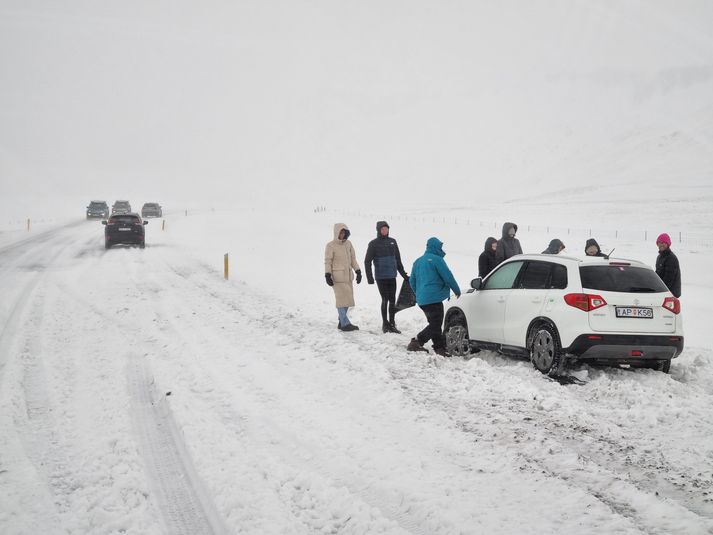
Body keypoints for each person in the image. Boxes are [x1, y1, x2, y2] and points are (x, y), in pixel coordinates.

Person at [407, 237, 461, 356]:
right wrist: (456, 290)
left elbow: (411, 280)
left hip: (422, 300)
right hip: (434, 298)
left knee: (434, 324)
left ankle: (439, 348)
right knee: (436, 324)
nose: (441, 249)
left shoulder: (418, 261)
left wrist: (419, 293)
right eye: (440, 247)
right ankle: (417, 342)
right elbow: (448, 276)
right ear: (435, 247)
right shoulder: (437, 260)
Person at [364, 221, 409, 333]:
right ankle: (385, 324)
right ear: (378, 230)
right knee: (385, 299)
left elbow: (397, 259)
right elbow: (367, 261)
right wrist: (370, 277)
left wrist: (403, 274)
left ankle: (392, 324)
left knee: (393, 300)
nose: (385, 231)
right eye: (382, 229)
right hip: (381, 276)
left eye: (386, 229)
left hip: (392, 275)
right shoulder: (373, 244)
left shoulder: (392, 242)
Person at [325, 223, 362, 331]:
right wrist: (327, 274)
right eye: (341, 232)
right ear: (336, 232)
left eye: (344, 232)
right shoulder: (330, 245)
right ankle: (345, 323)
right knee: (341, 300)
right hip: (337, 277)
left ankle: (342, 321)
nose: (342, 234)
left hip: (348, 277)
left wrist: (358, 271)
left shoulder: (348, 244)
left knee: (347, 300)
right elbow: (328, 261)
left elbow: (353, 259)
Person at [655, 233, 681, 298]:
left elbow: (669, 278)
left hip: (670, 292)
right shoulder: (660, 257)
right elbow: (658, 274)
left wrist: (663, 291)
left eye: (663, 242)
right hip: (662, 290)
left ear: (668, 244)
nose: (661, 244)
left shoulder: (671, 258)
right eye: (659, 242)